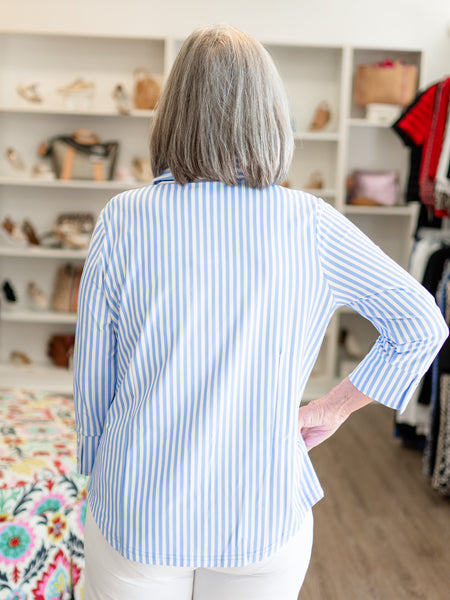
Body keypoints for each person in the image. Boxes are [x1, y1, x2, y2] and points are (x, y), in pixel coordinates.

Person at [73, 25, 448, 600]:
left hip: (137, 511)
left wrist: (97, 479)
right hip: (263, 511)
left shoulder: (124, 219)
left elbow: (93, 380)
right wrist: (335, 408)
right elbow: (421, 323)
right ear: (271, 115)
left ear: (171, 116)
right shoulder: (309, 222)